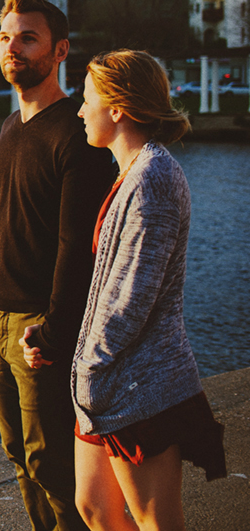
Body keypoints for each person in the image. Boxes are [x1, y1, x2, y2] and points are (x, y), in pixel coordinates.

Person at [49, 49, 225, 530]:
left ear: (118, 108)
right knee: (95, 507)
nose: (80, 111)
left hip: (139, 384)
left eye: (87, 101)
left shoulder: (154, 179)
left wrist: (86, 364)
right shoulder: (129, 173)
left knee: (154, 520)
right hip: (107, 384)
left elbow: (131, 299)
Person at [0, 0, 115, 531]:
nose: (12, 48)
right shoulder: (11, 128)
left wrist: (54, 331)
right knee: (16, 454)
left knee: (50, 461)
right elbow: (4, 222)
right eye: (5, 37)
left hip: (38, 327)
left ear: (60, 51)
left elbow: (76, 246)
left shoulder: (77, 136)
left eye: (27, 38)